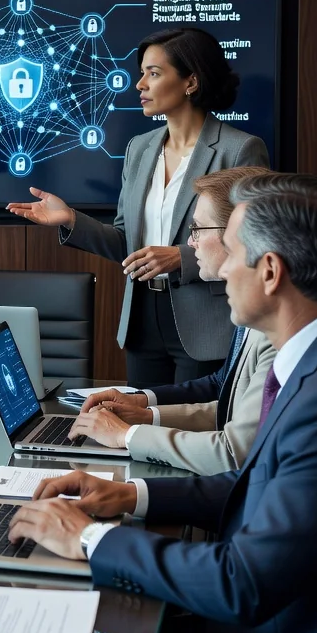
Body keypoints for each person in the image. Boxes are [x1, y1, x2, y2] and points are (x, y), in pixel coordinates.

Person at [6, 171, 317, 633]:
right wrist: (131, 493)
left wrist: (87, 539)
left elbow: (240, 583)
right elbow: (259, 482)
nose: (217, 267)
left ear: (271, 273)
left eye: (234, 253)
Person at [8, 27, 269, 387]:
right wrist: (70, 220)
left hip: (206, 323)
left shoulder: (238, 150)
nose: (139, 84)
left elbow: (255, 243)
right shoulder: (139, 148)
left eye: (154, 73)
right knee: (141, 429)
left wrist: (181, 257)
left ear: (191, 82)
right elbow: (127, 245)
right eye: (142, 72)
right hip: (142, 318)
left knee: (190, 431)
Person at [67, 166, 276, 474]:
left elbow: (232, 454)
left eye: (197, 229)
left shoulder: (274, 330)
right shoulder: (251, 314)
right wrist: (142, 409)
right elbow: (228, 400)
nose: (189, 244)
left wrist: (127, 435)